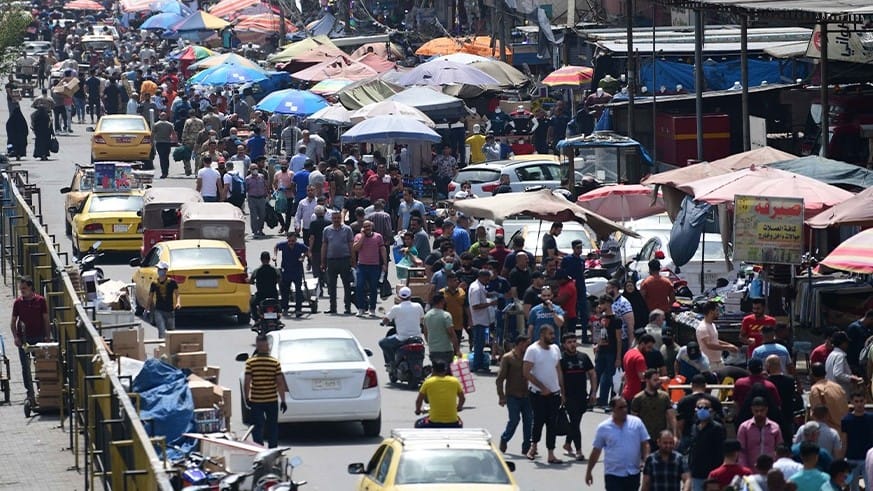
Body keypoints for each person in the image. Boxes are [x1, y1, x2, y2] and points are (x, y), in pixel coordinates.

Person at [586, 396, 651, 490]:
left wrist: (646, 459)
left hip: (633, 473)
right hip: (613, 475)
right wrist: (589, 471)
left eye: (625, 407)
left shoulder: (636, 423)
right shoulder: (604, 428)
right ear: (613, 409)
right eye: (620, 408)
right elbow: (596, 450)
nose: (624, 410)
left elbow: (645, 443)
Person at [523, 325, 565, 463]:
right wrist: (542, 387)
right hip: (538, 394)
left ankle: (551, 454)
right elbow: (526, 372)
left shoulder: (555, 349)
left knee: (552, 424)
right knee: (538, 421)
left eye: (553, 334)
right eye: (550, 334)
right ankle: (533, 447)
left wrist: (562, 391)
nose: (553, 336)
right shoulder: (532, 350)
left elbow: (558, 370)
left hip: (554, 393)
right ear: (542, 335)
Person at [244, 335, 288, 448]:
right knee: (272, 426)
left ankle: (259, 448)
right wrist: (283, 400)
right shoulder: (275, 363)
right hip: (271, 400)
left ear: (257, 346)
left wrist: (247, 398)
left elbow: (247, 382)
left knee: (257, 426)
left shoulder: (250, 363)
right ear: (267, 346)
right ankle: (272, 449)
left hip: (256, 401)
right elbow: (280, 383)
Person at [11, 276, 51, 402]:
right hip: (24, 339)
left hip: (39, 337)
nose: (22, 291)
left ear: (30, 287)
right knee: (25, 366)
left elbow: (46, 319)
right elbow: (13, 321)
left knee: (40, 364)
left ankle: (41, 389)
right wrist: (16, 337)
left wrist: (47, 336)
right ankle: (29, 392)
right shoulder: (18, 303)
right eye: (21, 288)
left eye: (24, 288)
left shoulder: (41, 301)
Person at [561, 332, 596, 460]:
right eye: (569, 342)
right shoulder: (561, 359)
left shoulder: (583, 357)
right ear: (564, 345)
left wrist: (593, 392)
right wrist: (561, 394)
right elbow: (558, 378)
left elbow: (592, 374)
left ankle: (567, 443)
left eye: (574, 342)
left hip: (582, 395)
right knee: (575, 422)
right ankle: (579, 450)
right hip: (568, 396)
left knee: (575, 421)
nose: (572, 344)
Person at [497, 334, 533, 454]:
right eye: (526, 345)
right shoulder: (508, 358)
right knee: (514, 420)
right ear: (520, 344)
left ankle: (527, 446)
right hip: (513, 395)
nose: (527, 347)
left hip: (527, 395)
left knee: (529, 421)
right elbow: (500, 379)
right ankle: (505, 438)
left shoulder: (529, 357)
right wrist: (501, 396)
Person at [686, 397, 727, 491]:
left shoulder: (717, 428)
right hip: (696, 473)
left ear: (711, 410)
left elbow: (720, 452)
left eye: (706, 408)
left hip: (712, 475)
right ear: (695, 410)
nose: (702, 410)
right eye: (699, 407)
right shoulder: (694, 427)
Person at [632, 368, 677, 449]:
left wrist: (674, 435)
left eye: (658, 379)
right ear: (647, 380)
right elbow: (634, 420)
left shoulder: (664, 397)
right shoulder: (638, 398)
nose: (658, 382)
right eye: (655, 380)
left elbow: (671, 417)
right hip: (644, 438)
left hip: (661, 438)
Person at [321, 212, 355, 314]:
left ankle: (347, 307)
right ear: (331, 219)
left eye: (338, 218)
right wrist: (323, 261)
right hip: (331, 260)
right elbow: (324, 246)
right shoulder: (327, 230)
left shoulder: (347, 229)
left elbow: (351, 245)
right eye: (334, 218)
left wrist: (353, 259)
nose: (336, 220)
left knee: (346, 285)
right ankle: (333, 307)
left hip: (344, 260)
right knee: (331, 285)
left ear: (341, 218)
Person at [415, 359, 464, 428]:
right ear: (445, 370)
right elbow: (462, 398)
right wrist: (459, 407)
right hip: (453, 423)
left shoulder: (428, 382)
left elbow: (419, 400)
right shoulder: (454, 381)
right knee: (460, 422)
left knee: (417, 423)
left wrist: (418, 410)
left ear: (433, 370)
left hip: (434, 422)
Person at [352, 220, 387, 317]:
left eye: (369, 226)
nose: (367, 228)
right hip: (362, 266)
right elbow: (355, 248)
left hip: (374, 266)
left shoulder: (378, 237)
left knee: (373, 288)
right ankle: (361, 308)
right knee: (359, 286)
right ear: (362, 228)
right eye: (365, 226)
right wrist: (362, 237)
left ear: (372, 227)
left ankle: (372, 308)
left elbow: (382, 250)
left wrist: (385, 263)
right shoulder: (358, 236)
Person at [737, 396, 783, 468]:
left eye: (762, 411)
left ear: (766, 410)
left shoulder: (775, 427)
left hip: (770, 469)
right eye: (756, 411)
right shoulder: (744, 428)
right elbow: (741, 451)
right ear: (752, 410)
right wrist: (745, 469)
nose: (759, 413)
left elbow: (779, 450)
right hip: (751, 470)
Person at [594, 295, 623, 408]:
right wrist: (597, 345)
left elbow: (618, 339)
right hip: (601, 351)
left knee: (607, 377)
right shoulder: (602, 318)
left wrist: (618, 357)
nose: (600, 306)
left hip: (611, 351)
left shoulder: (616, 320)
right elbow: (600, 334)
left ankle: (604, 400)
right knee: (596, 374)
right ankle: (592, 398)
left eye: (602, 303)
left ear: (608, 303)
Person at [676, 374, 724, 441]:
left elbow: (680, 423)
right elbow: (721, 420)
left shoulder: (683, 401)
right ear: (705, 385)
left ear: (691, 385)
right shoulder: (715, 401)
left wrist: (680, 438)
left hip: (689, 436)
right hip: (711, 437)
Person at [734, 358, 782, 424]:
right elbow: (778, 406)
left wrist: (738, 418)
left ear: (748, 369)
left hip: (744, 420)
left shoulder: (739, 383)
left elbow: (736, 403)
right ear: (762, 369)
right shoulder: (770, 386)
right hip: (766, 423)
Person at [841, 392, 873, 491]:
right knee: (853, 487)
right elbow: (844, 440)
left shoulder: (871, 418)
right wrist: (842, 458)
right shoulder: (846, 420)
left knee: (870, 486)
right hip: (852, 458)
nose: (859, 404)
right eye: (856, 401)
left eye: (861, 401)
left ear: (865, 401)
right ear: (852, 402)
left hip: (868, 458)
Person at [273, 232, 308, 317]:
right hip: (286, 271)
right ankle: (285, 308)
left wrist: (303, 257)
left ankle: (298, 309)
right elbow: (276, 246)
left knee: (298, 291)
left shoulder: (300, 246)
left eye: (293, 241)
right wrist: (275, 256)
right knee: (285, 291)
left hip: (297, 271)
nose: (291, 243)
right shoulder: (284, 245)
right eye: (289, 241)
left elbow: (307, 250)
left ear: (296, 240)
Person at [468, 269, 497, 373]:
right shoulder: (476, 288)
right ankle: (477, 366)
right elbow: (475, 306)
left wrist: (492, 295)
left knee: (482, 343)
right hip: (479, 321)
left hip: (484, 321)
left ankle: (481, 364)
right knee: (479, 345)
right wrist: (490, 304)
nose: (488, 281)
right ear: (482, 277)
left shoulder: (480, 286)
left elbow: (485, 294)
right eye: (487, 279)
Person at [695, 301, 738, 370]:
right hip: (709, 363)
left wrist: (730, 345)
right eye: (717, 310)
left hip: (718, 361)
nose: (718, 313)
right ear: (711, 312)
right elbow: (709, 345)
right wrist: (727, 347)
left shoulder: (712, 325)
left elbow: (715, 340)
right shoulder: (703, 328)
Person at [808, 362, 848, 433]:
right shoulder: (838, 387)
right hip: (844, 430)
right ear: (825, 373)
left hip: (828, 432)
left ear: (812, 375)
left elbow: (817, 414)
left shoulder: (816, 389)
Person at [423, 292, 460, 365]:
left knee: (436, 370)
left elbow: (425, 333)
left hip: (433, 350)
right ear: (442, 301)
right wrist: (457, 350)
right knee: (447, 370)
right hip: (446, 350)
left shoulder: (427, 316)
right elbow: (451, 334)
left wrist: (430, 344)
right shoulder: (446, 315)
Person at [147, 262, 180, 338]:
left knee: (171, 333)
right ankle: (162, 344)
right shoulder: (154, 283)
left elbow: (177, 294)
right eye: (158, 269)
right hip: (159, 310)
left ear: (165, 270)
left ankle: (168, 345)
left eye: (160, 269)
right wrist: (147, 308)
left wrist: (178, 303)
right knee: (162, 332)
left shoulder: (172, 282)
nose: (159, 271)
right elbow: (150, 296)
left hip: (170, 310)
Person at [825, 331, 862, 397]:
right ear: (842, 343)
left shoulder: (831, 354)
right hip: (840, 392)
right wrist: (852, 378)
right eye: (846, 342)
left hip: (831, 390)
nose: (847, 345)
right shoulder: (840, 356)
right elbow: (838, 374)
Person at [622, 333, 656, 403]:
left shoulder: (628, 353)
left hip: (626, 392)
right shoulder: (639, 358)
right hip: (636, 395)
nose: (650, 350)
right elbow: (642, 377)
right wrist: (659, 379)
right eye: (648, 347)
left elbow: (625, 375)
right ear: (642, 344)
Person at [249, 251, 280, 322]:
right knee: (277, 304)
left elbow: (251, 281)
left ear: (261, 259)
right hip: (273, 294)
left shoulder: (257, 270)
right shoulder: (275, 270)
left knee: (252, 303)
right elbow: (279, 280)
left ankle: (256, 319)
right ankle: (277, 318)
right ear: (269, 259)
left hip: (261, 295)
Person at [606, 279, 636, 351]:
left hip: (622, 340)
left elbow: (630, 325)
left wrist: (631, 345)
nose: (606, 291)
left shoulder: (624, 303)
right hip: (609, 340)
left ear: (615, 288)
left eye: (608, 288)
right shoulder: (609, 302)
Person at [244, 163, 270, 237]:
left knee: (262, 215)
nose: (255, 170)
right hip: (252, 198)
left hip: (261, 198)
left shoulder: (261, 177)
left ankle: (260, 229)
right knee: (254, 216)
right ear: (250, 170)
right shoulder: (248, 179)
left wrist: (267, 195)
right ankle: (255, 231)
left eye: (256, 168)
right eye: (253, 169)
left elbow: (265, 186)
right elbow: (246, 189)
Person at [845, 310, 873, 375]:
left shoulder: (868, 328)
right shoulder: (854, 327)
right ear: (870, 318)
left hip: (864, 361)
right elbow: (848, 345)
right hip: (854, 362)